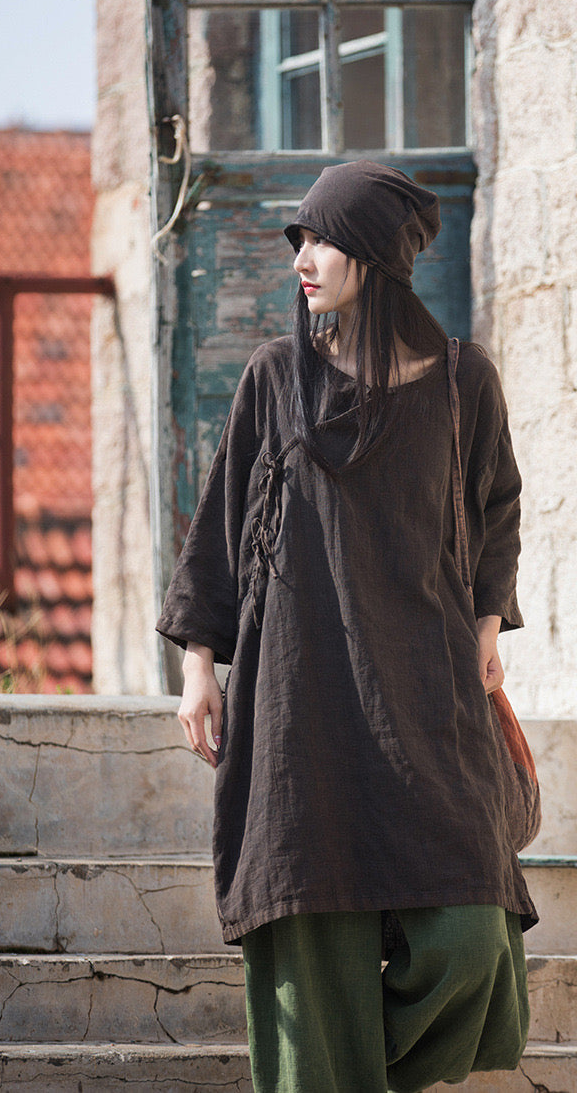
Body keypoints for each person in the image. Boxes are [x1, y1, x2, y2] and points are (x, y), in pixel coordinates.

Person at [157, 160, 537, 1093]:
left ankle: (350, 1072)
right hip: (301, 692)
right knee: (311, 921)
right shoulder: (275, 375)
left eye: (323, 240)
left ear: (374, 255)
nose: (302, 259)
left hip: (428, 685)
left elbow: (496, 507)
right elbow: (222, 521)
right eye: (300, 240)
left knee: (472, 940)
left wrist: (488, 625)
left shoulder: (464, 381)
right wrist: (200, 665)